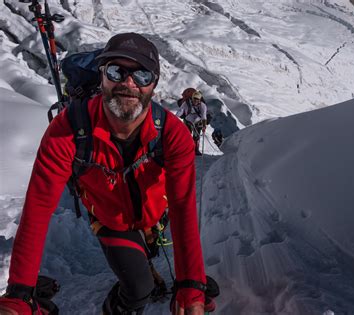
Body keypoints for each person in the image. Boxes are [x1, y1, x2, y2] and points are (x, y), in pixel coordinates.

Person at [0, 33, 208, 315]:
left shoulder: (172, 134)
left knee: (142, 264)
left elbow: (183, 205)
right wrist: (20, 294)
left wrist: (191, 283)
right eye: (116, 71)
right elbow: (38, 208)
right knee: (138, 289)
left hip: (154, 217)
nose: (128, 83)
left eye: (142, 75)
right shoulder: (68, 130)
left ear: (154, 85)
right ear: (102, 78)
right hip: (111, 222)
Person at [176, 90, 207, 155]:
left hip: (197, 122)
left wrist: (204, 126)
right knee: (186, 135)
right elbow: (180, 111)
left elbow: (204, 117)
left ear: (199, 100)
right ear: (192, 98)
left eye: (197, 99)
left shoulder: (203, 106)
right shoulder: (186, 103)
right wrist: (175, 118)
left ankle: (196, 150)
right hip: (188, 121)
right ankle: (186, 149)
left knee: (196, 136)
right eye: (194, 99)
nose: (195, 100)